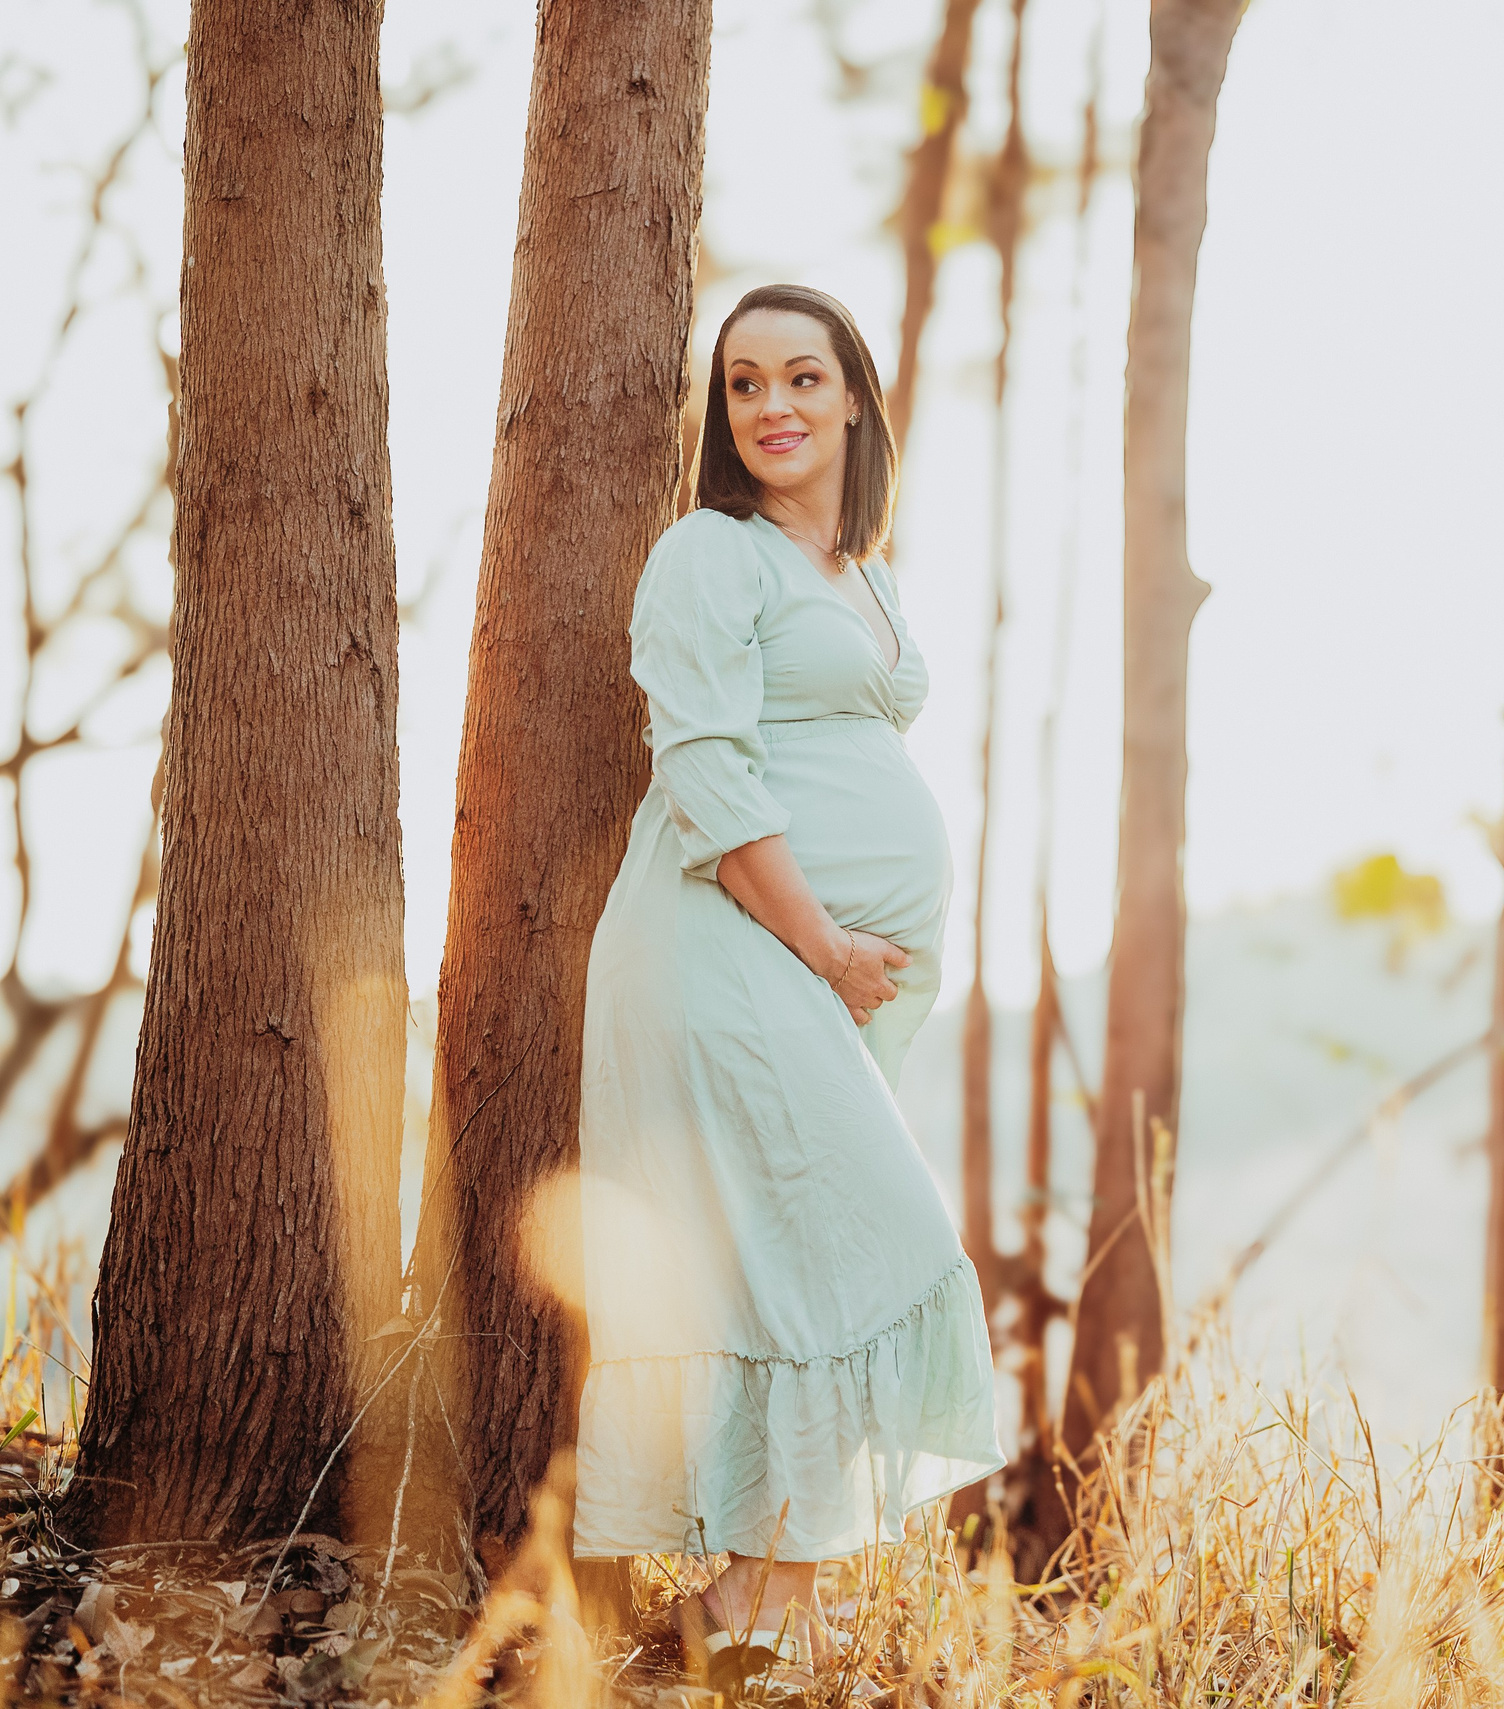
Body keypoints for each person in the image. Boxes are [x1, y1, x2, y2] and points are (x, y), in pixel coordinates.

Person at [571, 283, 1002, 1683]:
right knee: (873, 1247)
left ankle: (764, 1615)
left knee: (799, 1271)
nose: (773, 408)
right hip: (724, 948)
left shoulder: (866, 576)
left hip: (819, 976)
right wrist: (823, 940)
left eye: (803, 379)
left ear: (856, 399)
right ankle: (747, 1607)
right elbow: (705, 771)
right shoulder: (711, 555)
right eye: (745, 384)